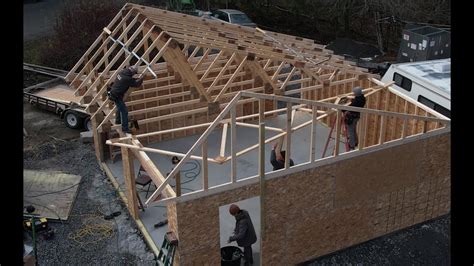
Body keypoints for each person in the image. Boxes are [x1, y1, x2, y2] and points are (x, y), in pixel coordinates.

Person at [108, 65, 143, 134]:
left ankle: (118, 121)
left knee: (120, 107)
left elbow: (130, 80)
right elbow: (136, 84)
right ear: (132, 72)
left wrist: (136, 78)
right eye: (134, 73)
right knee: (124, 111)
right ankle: (125, 128)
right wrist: (142, 79)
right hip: (117, 96)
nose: (134, 74)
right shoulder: (127, 79)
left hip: (113, 92)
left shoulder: (122, 72)